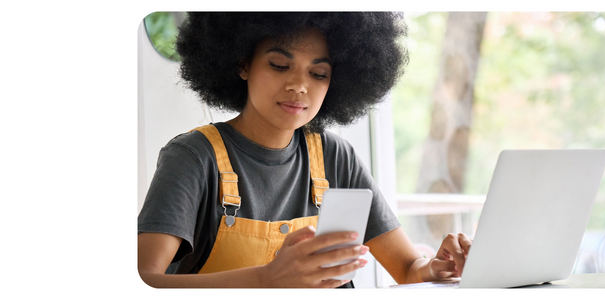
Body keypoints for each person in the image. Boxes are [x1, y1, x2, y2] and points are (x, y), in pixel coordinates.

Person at [137, 12, 472, 288]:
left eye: (318, 73)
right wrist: (266, 280)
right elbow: (144, 282)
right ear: (242, 64)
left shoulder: (335, 157)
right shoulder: (193, 156)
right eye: (280, 65)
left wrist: (437, 267)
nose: (299, 85)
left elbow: (408, 269)